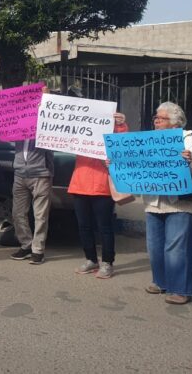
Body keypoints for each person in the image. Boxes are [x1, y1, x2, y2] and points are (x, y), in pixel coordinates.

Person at [144, 102, 192, 305]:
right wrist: (116, 163)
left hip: (180, 204)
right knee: (155, 247)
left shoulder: (188, 140)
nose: (156, 120)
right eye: (156, 117)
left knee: (176, 248)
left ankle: (180, 289)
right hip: (154, 203)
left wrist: (190, 161)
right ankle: (161, 282)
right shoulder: (146, 141)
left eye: (161, 118)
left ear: (175, 123)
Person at [69, 112, 129, 278]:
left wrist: (121, 125)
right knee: (83, 226)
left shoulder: (113, 131)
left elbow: (122, 144)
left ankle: (108, 262)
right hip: (79, 184)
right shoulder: (79, 131)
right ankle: (91, 260)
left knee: (105, 227)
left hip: (101, 186)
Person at [10, 133, 54, 265]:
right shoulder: (19, 122)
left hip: (41, 174)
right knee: (17, 213)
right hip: (19, 174)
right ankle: (26, 245)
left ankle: (38, 251)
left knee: (40, 215)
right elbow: (0, 133)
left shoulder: (45, 121)